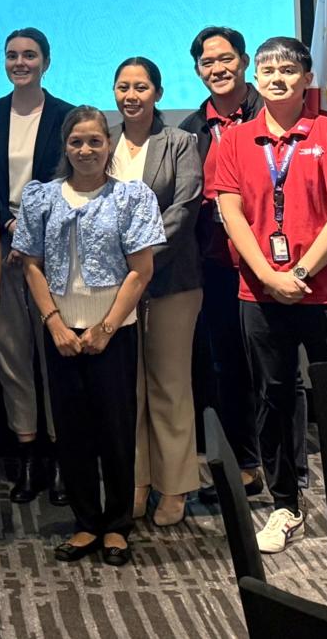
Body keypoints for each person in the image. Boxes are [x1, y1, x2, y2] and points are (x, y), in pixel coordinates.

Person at [210, 36, 327, 555]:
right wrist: (269, 276)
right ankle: (285, 505)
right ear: (255, 77)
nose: (276, 76)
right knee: (273, 397)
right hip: (258, 295)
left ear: (305, 78)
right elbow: (230, 214)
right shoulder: (234, 140)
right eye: (267, 68)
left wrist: (297, 271)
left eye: (287, 69)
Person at [16, 106, 163, 566]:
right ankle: (85, 522)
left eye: (95, 141)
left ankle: (117, 524)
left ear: (108, 144)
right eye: (76, 142)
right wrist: (54, 323)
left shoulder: (133, 197)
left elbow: (141, 272)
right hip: (59, 330)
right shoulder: (41, 197)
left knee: (116, 429)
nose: (85, 150)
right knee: (72, 430)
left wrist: (105, 328)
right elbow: (31, 265)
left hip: (113, 332)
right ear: (65, 146)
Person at [0, 28, 75, 505]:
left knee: (55, 354)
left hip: (55, 253)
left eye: (29, 55)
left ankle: (61, 455)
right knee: (13, 357)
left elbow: (71, 179)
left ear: (46, 62)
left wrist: (29, 230)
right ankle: (28, 455)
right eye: (11, 55)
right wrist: (7, 231)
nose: (20, 62)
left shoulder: (67, 115)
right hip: (0, 250)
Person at [111, 57, 203, 527]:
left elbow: (185, 208)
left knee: (168, 385)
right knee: (129, 390)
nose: (131, 95)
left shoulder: (181, 143)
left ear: (158, 93)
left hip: (170, 282)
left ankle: (175, 487)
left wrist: (138, 256)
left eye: (141, 86)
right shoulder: (102, 144)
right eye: (123, 87)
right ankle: (137, 481)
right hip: (113, 288)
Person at [178, 27, 268, 496]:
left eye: (226, 58)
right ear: (197, 70)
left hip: (270, 261)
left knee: (275, 367)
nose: (218, 68)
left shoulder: (271, 116)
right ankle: (247, 464)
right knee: (226, 365)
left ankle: (287, 462)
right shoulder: (191, 130)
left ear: (245, 60)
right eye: (208, 62)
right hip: (215, 261)